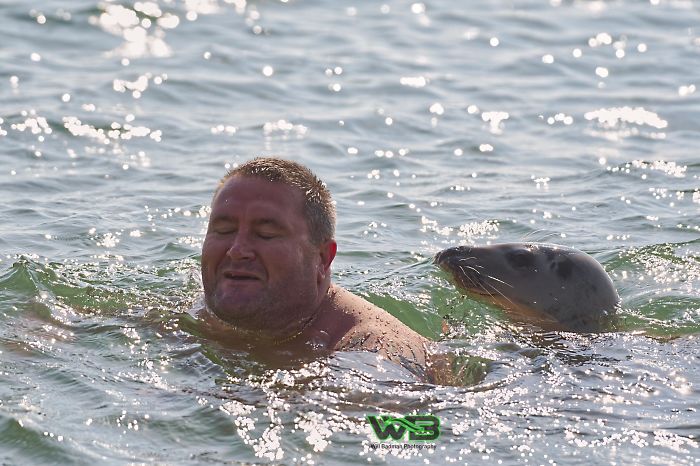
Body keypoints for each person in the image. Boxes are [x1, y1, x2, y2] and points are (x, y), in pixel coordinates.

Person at [199, 157, 430, 372]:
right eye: (223, 231)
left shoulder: (374, 351)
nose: (237, 250)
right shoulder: (197, 312)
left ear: (322, 258)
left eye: (266, 234)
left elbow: (403, 416)